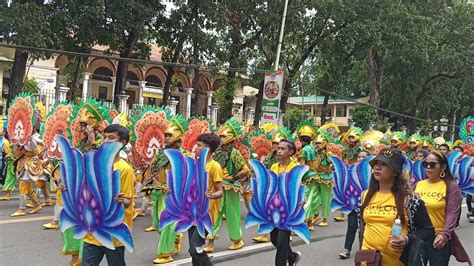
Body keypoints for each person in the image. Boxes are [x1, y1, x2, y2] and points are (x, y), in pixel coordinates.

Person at [359, 148, 434, 266]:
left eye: (384, 164)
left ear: (395, 172)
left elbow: (428, 230)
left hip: (398, 261)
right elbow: (362, 228)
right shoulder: (364, 196)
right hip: (369, 260)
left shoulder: (411, 200)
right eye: (376, 164)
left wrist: (406, 240)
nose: (377, 167)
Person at [82, 124, 135, 266]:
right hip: (93, 228)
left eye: (111, 138)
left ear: (122, 143)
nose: (106, 141)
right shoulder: (94, 164)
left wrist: (123, 200)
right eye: (105, 137)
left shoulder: (125, 169)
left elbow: (128, 202)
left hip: (114, 230)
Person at [415, 151, 471, 265]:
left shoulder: (451, 187)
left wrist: (445, 234)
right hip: (418, 237)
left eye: (433, 164)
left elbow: (452, 213)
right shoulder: (418, 185)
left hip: (438, 238)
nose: (429, 167)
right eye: (426, 164)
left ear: (443, 167)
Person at [209, 118, 249, 252]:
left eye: (223, 137)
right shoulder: (216, 153)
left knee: (232, 214)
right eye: (220, 137)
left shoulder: (235, 153)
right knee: (214, 213)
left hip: (231, 187)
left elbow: (245, 170)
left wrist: (235, 177)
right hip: (217, 186)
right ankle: (210, 242)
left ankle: (237, 240)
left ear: (230, 140)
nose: (221, 140)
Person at [154, 115, 189, 264]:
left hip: (175, 195)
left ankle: (165, 253)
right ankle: (176, 237)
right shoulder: (161, 153)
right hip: (160, 192)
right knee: (157, 224)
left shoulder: (184, 155)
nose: (167, 137)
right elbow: (154, 169)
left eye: (170, 135)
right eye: (166, 135)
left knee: (167, 222)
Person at [191, 133, 224, 266]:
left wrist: (212, 195)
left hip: (206, 214)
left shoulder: (215, 166)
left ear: (208, 149)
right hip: (192, 213)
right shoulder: (195, 163)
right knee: (195, 251)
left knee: (194, 249)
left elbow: (220, 191)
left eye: (199, 146)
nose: (195, 148)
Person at [269, 139, 302, 266]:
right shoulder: (273, 166)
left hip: (289, 209)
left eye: (283, 149)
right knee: (274, 239)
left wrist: (301, 200)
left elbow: (299, 187)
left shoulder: (295, 168)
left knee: (282, 242)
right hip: (274, 208)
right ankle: (292, 256)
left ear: (291, 152)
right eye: (279, 148)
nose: (279, 150)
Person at [338, 150, 371, 259]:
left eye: (364, 157)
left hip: (368, 204)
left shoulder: (373, 171)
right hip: (353, 204)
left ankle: (364, 250)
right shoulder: (351, 169)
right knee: (352, 226)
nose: (361, 159)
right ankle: (346, 249)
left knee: (366, 228)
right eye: (359, 157)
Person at [295, 121, 319, 230]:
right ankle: (309, 223)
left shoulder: (303, 151)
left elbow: (302, 167)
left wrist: (298, 178)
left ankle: (304, 224)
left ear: (301, 140)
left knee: (305, 200)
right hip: (314, 175)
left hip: (307, 177)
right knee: (310, 198)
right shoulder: (313, 149)